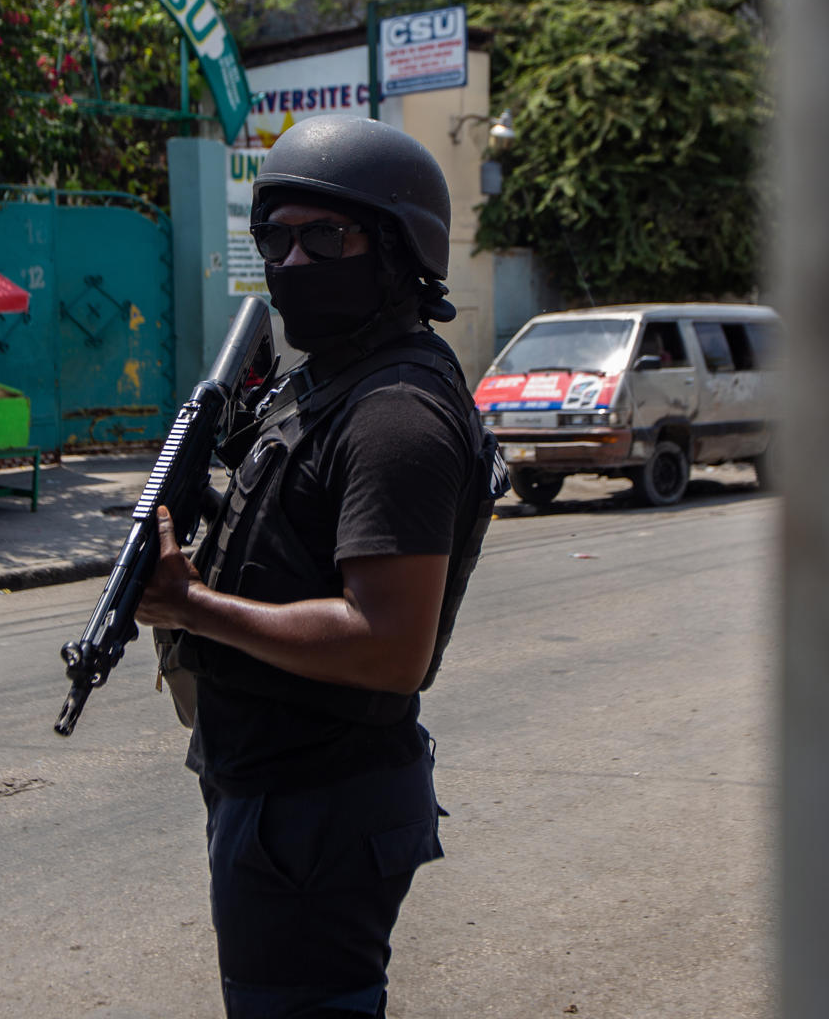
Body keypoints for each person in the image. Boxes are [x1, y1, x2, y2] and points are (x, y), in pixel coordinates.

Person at [138, 116, 500, 1019]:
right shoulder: (329, 381)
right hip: (279, 793)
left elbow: (388, 647)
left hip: (319, 806)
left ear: (397, 252)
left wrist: (190, 605)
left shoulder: (396, 416)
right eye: (277, 237)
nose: (293, 262)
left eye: (327, 236)